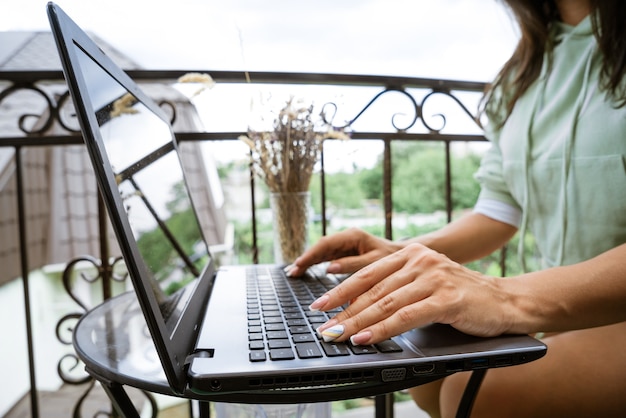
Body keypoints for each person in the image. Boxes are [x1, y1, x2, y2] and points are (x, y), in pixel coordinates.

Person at [286, 0, 626, 416]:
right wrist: (400, 254)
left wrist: (507, 297)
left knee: (485, 393)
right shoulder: (524, 71)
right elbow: (499, 207)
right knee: (427, 371)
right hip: (567, 304)